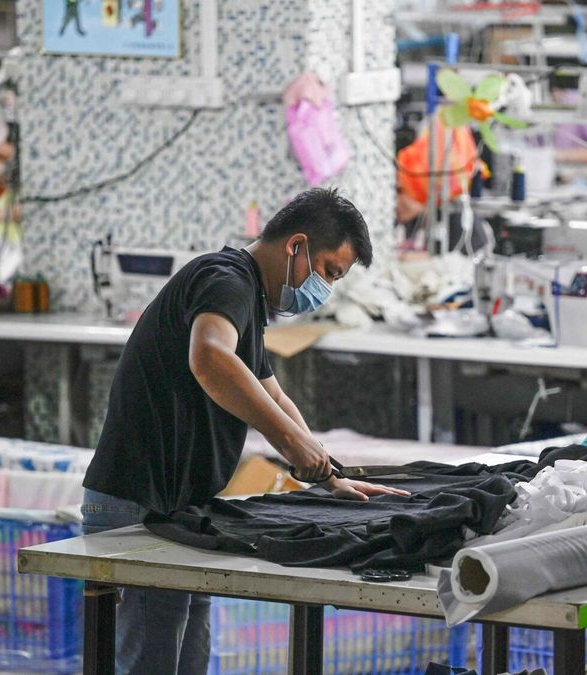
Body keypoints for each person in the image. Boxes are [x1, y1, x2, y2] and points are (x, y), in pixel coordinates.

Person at [81, 188, 409, 674]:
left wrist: (330, 473)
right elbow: (210, 358)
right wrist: (296, 449)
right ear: (295, 246)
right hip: (139, 502)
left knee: (187, 659)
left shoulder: (246, 297)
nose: (325, 289)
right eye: (328, 272)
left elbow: (274, 395)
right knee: (152, 662)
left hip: (178, 507)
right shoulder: (226, 280)